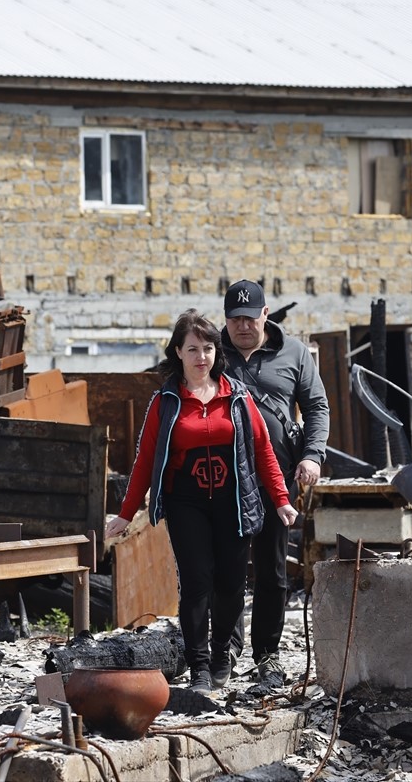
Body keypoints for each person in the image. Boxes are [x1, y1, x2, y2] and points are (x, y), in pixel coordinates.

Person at [107, 309, 298, 693]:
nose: (201, 357)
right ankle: (198, 667)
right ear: (178, 352)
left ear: (216, 352)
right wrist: (126, 514)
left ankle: (221, 655)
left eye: (208, 348)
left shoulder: (238, 397)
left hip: (233, 501)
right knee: (196, 583)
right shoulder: (166, 401)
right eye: (192, 349)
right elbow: (145, 458)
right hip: (187, 502)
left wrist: (281, 500)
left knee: (229, 583)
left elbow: (263, 451)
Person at [221, 279, 329, 689]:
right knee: (226, 569)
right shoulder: (212, 352)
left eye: (250, 318)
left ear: (266, 314)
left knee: (271, 570)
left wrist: (312, 455)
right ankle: (226, 650)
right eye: (235, 319)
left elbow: (317, 406)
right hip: (223, 478)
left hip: (277, 478)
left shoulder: (295, 352)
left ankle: (267, 653)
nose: (243, 327)